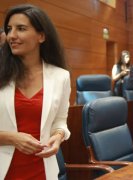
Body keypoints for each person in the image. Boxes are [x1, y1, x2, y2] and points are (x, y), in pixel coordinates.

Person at [0, 4, 71, 179]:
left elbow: (60, 121)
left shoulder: (61, 76)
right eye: (9, 29)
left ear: (41, 35)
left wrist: (58, 136)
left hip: (43, 171)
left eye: (21, 29)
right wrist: (11, 138)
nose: (11, 36)